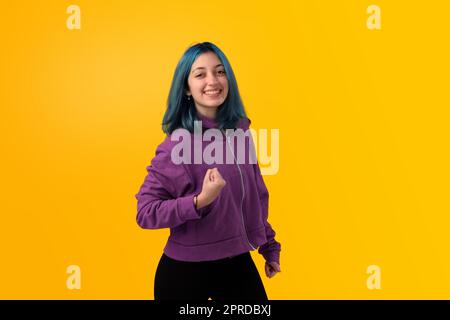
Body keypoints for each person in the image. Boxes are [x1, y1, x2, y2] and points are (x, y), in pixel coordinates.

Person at [135, 42, 281, 300]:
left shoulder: (240, 134)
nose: (212, 80)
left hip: (237, 263)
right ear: (186, 88)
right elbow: (145, 213)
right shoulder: (175, 146)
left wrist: (268, 245)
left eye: (220, 71)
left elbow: (255, 197)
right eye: (200, 74)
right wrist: (200, 201)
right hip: (185, 275)